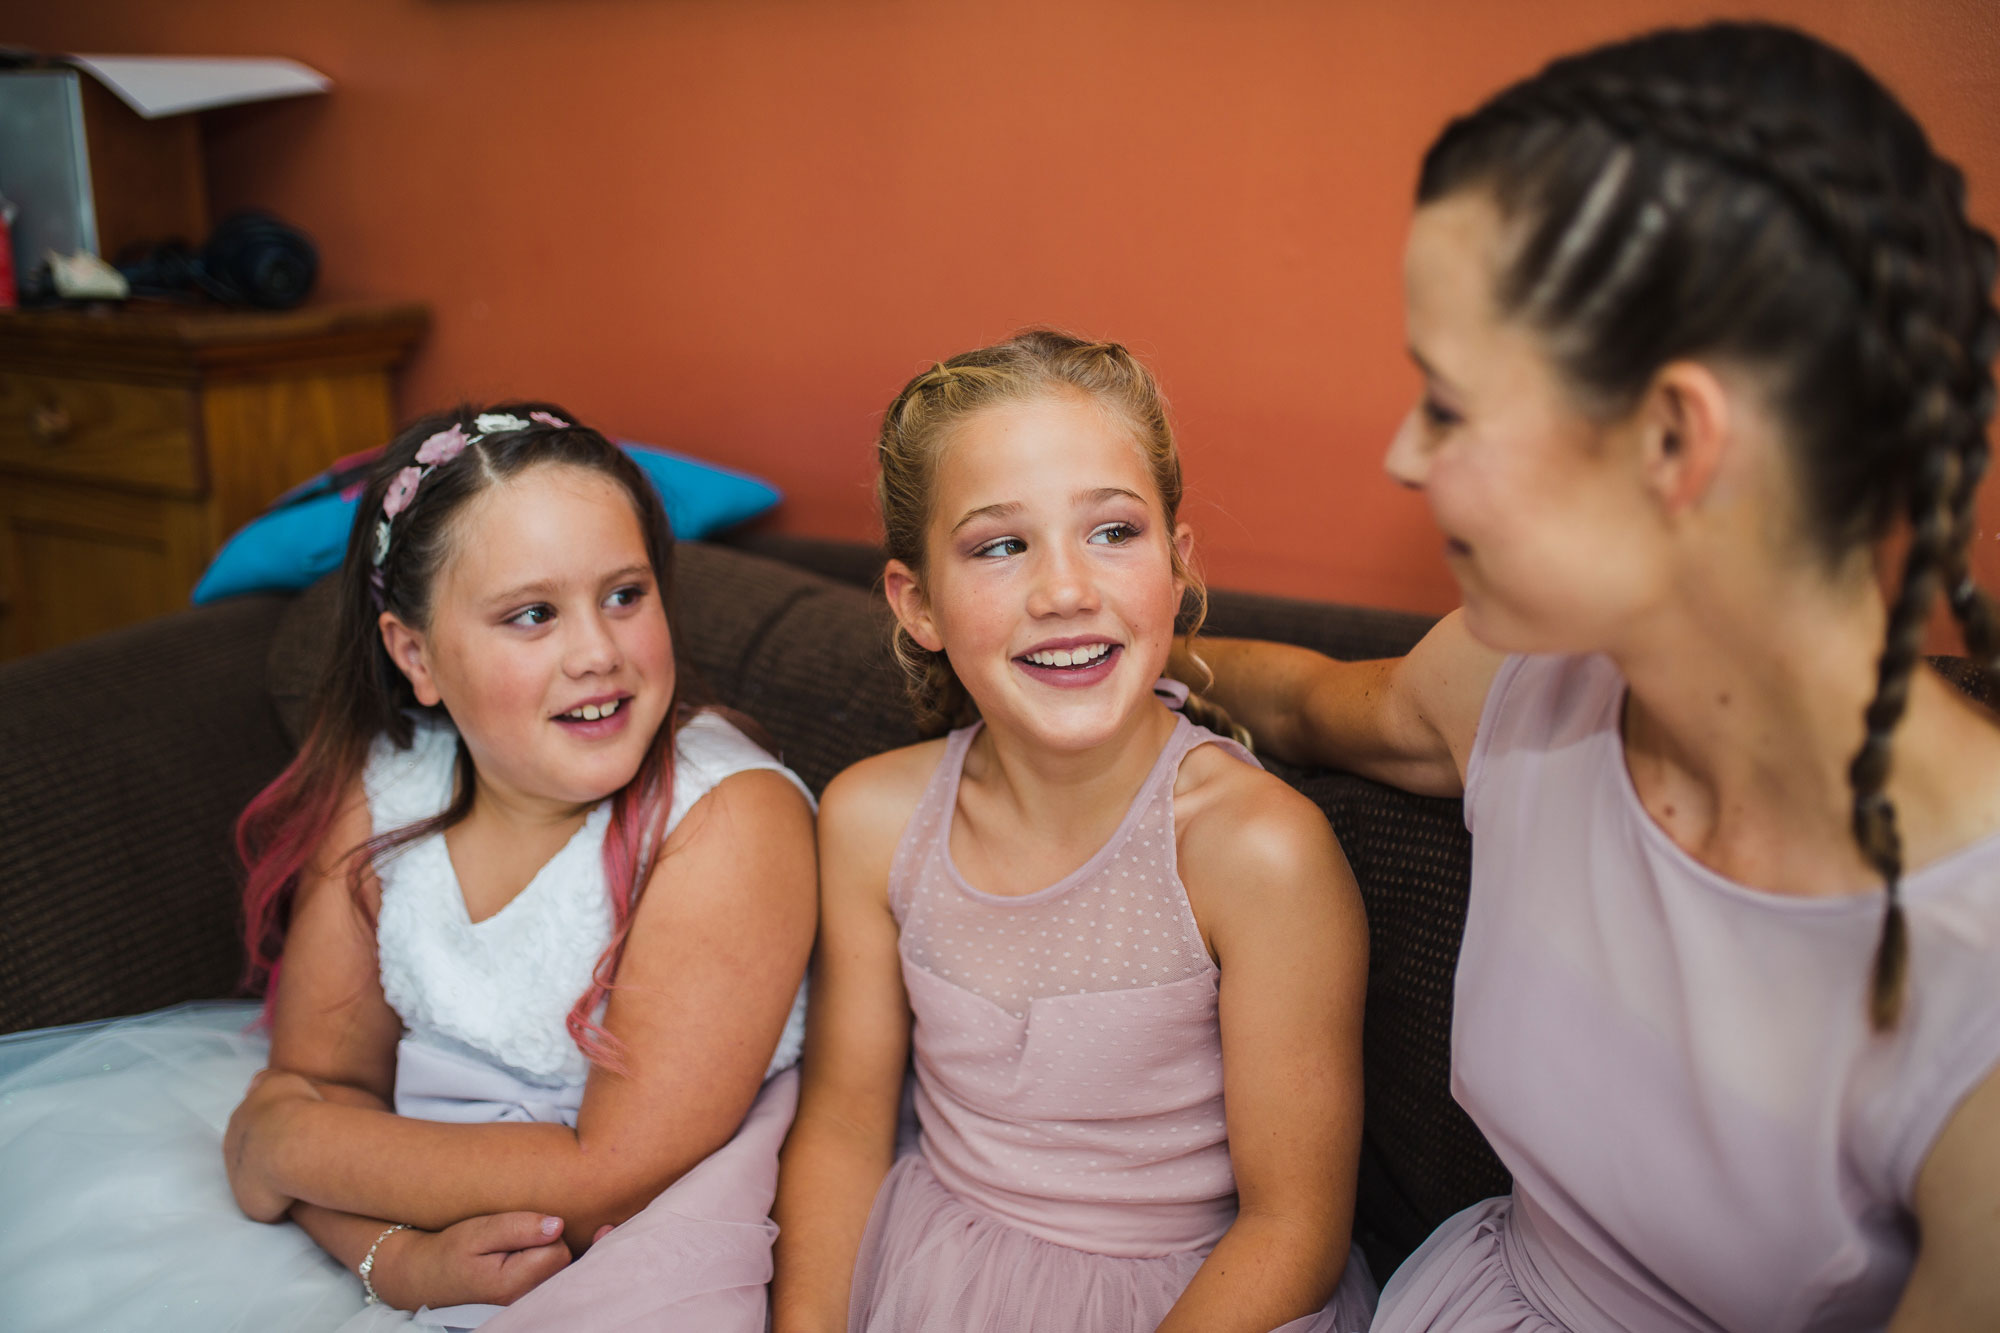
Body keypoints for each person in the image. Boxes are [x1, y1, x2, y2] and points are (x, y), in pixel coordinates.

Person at [1183, 22, 2000, 1332]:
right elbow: (1308, 701)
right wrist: (1127, 650)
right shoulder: (1525, 685)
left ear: (1675, 436)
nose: (1403, 455)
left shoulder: (1980, 992)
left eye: (1445, 406)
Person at [0, 405, 818, 1333]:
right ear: (415, 654)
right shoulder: (393, 787)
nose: (598, 652)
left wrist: (287, 1149)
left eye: (625, 594)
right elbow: (309, 1081)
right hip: (405, 1230)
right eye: (533, 614)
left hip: (635, 1253)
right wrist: (391, 1255)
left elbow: (608, 1179)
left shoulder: (730, 816)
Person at [771, 331, 1378, 1333]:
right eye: (999, 546)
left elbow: (1292, 1228)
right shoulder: (870, 819)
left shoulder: (1255, 851)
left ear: (1175, 566)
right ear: (915, 601)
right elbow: (841, 1127)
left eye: (1111, 532)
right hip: (929, 1267)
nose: (1063, 590)